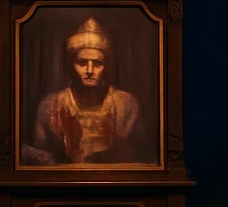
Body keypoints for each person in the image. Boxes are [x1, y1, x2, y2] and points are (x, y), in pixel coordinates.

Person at [21, 17, 145, 165]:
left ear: (106, 67)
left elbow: (139, 155)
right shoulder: (49, 106)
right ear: (71, 65)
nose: (90, 70)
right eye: (82, 63)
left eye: (97, 63)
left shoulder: (127, 105)